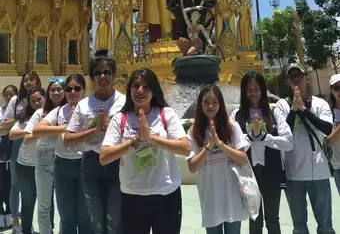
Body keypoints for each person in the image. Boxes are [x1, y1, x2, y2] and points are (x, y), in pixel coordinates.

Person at [100, 68, 190, 234]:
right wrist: (134, 141)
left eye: (146, 87)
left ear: (154, 91)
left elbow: (185, 148)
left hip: (166, 194)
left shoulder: (166, 114)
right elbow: (104, 157)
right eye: (136, 86)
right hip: (132, 196)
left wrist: (152, 138)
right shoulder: (120, 119)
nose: (140, 90)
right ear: (129, 89)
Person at [64, 50, 125, 234]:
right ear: (92, 77)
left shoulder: (124, 102)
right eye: (98, 73)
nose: (103, 76)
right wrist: (94, 130)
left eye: (107, 72)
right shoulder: (84, 105)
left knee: (114, 221)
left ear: (113, 75)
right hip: (92, 163)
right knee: (96, 221)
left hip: (117, 163)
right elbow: (68, 139)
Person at [274, 63, 335, 234]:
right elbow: (283, 133)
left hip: (319, 171)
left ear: (306, 78)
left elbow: (327, 128)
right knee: (299, 227)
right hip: (294, 173)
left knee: (325, 225)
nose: (295, 78)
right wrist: (294, 110)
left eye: (298, 75)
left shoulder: (320, 103)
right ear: (287, 81)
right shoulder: (281, 105)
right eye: (291, 76)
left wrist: (305, 110)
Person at [231, 71, 293, 234]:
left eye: (257, 89)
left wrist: (266, 137)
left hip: (271, 174)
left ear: (263, 90)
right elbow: (233, 147)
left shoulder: (274, 113)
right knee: (255, 220)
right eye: (249, 90)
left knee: (273, 220)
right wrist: (251, 137)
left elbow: (288, 142)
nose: (253, 93)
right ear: (244, 91)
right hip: (249, 175)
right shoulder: (237, 115)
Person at [187, 84, 248, 234]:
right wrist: (208, 146)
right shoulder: (194, 131)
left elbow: (243, 159)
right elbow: (192, 167)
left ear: (220, 104)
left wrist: (220, 144)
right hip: (210, 198)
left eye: (215, 102)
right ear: (200, 104)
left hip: (232, 196)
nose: (210, 106)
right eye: (206, 102)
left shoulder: (231, 127)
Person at [34, 74, 91, 234]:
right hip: (62, 165)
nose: (73, 92)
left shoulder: (89, 110)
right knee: (66, 217)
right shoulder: (59, 111)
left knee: (84, 216)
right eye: (69, 89)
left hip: (84, 163)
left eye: (77, 88)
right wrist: (67, 127)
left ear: (84, 90)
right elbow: (38, 129)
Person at [1, 71, 41, 234]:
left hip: (38, 144)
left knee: (36, 186)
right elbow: (5, 123)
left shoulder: (41, 98)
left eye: (32, 79)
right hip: (18, 143)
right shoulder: (15, 100)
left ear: (37, 81)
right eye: (26, 80)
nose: (29, 82)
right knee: (16, 184)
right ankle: (17, 221)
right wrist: (21, 118)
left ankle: (29, 220)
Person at [25, 78, 66, 234]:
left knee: (64, 205)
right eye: (52, 90)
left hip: (65, 158)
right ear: (48, 93)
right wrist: (50, 130)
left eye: (59, 89)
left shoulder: (70, 111)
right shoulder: (40, 113)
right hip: (44, 158)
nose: (56, 93)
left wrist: (46, 130)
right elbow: (28, 137)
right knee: (44, 204)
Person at [9, 88, 46, 234]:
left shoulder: (52, 114)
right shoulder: (24, 118)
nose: (36, 103)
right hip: (25, 164)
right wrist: (30, 130)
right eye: (33, 100)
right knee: (28, 200)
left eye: (39, 99)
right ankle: (26, 230)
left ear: (45, 98)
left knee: (45, 202)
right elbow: (12, 134)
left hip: (45, 164)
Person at [0, 85, 18, 230]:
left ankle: (10, 213)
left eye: (11, 94)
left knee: (10, 187)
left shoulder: (20, 112)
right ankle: (1, 214)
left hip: (12, 156)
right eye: (6, 94)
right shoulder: (0, 110)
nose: (9, 96)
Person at [326, 74, 340, 194]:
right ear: (331, 90)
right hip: (338, 166)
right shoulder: (328, 113)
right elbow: (329, 142)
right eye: (336, 88)